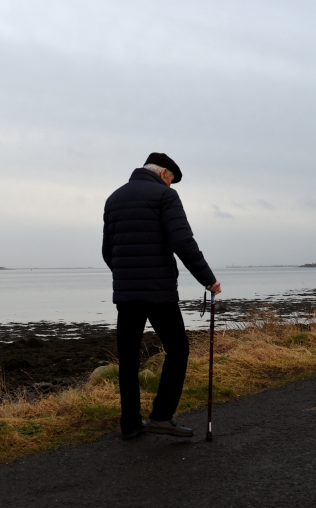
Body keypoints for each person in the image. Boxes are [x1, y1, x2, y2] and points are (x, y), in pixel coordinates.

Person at [102, 152, 222, 439]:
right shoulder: (165, 197)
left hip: (126, 292)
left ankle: (130, 423)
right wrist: (208, 279)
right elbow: (183, 242)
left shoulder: (114, 198)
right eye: (171, 180)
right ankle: (161, 416)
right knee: (178, 349)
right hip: (158, 291)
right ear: (164, 173)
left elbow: (109, 251)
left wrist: (126, 276)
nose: (171, 186)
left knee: (128, 358)